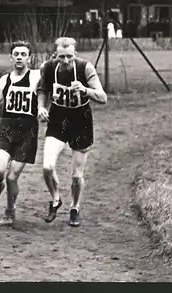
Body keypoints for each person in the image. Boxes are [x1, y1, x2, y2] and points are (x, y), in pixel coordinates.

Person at [37, 37, 107, 227]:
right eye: (61, 57)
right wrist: (41, 107)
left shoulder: (85, 68)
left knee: (77, 176)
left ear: (75, 54)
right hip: (58, 119)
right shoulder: (49, 67)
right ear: (56, 55)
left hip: (80, 121)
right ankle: (56, 199)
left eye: (69, 57)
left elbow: (103, 97)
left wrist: (84, 90)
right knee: (47, 167)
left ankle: (75, 207)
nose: (66, 61)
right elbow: (42, 90)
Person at [0, 41, 41, 226]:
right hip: (7, 128)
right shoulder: (5, 80)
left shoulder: (36, 77)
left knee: (12, 177)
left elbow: (48, 90)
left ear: (29, 58)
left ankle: (9, 211)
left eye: (23, 54)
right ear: (11, 57)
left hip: (27, 131)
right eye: (16, 54)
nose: (19, 57)